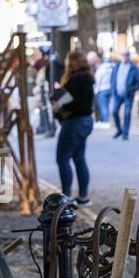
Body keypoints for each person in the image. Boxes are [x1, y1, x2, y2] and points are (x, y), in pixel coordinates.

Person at [53, 50, 95, 205]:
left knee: (62, 159)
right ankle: (83, 197)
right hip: (85, 121)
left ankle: (66, 197)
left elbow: (76, 103)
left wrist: (60, 100)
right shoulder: (87, 77)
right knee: (79, 158)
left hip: (74, 121)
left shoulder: (77, 78)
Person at [110, 47, 139, 139]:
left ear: (129, 56)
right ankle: (119, 130)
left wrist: (132, 89)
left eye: (127, 55)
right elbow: (112, 79)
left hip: (128, 95)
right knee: (114, 111)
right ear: (121, 56)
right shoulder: (116, 66)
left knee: (127, 114)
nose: (125, 56)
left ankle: (125, 133)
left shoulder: (133, 67)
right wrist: (113, 91)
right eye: (123, 54)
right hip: (117, 94)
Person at [91, 51, 112, 123]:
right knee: (106, 106)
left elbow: (97, 81)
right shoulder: (110, 68)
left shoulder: (101, 70)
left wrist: (96, 91)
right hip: (109, 89)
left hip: (102, 90)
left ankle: (105, 122)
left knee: (103, 107)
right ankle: (105, 120)